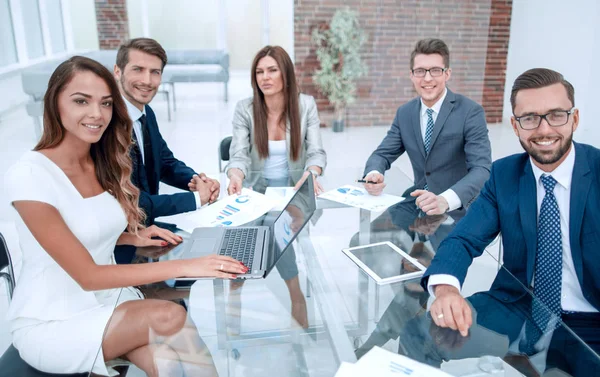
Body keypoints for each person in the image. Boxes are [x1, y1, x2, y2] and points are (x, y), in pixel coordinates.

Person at [4, 56, 247, 376]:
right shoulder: (29, 175)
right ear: (54, 104)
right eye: (81, 101)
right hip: (53, 322)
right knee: (171, 316)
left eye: (106, 103)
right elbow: (87, 275)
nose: (96, 114)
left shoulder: (99, 161)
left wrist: (128, 235)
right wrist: (191, 265)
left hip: (108, 301)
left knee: (167, 360)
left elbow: (79, 222)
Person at [422, 68, 600, 375]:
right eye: (530, 118)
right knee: (421, 334)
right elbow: (464, 239)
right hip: (521, 305)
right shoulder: (504, 175)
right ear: (515, 126)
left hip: (592, 321)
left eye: (556, 115)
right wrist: (446, 290)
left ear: (575, 118)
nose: (544, 129)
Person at [113, 38, 220, 263]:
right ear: (117, 71)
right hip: (120, 246)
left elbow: (165, 162)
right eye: (138, 70)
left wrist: (196, 180)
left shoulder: (146, 114)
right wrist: (195, 199)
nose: (147, 80)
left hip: (150, 231)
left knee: (216, 248)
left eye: (155, 72)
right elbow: (132, 200)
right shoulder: (107, 125)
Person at [362, 38, 491, 215]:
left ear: (447, 73)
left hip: (457, 209)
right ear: (412, 75)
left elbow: (482, 170)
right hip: (418, 202)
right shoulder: (405, 113)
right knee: (363, 239)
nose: (427, 78)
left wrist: (445, 200)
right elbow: (382, 154)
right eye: (420, 71)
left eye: (436, 71)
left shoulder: (470, 112)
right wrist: (373, 174)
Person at [225, 45, 327, 196]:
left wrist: (310, 174)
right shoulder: (244, 109)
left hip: (295, 191)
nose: (265, 77)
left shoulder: (306, 105)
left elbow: (316, 153)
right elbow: (239, 155)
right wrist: (236, 176)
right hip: (255, 193)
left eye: (272, 70)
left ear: (286, 74)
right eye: (259, 72)